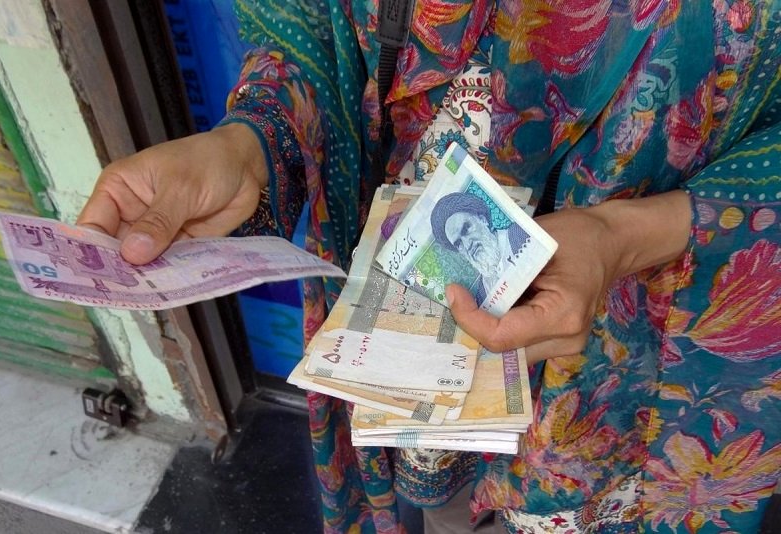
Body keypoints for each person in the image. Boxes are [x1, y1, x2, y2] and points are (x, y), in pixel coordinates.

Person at [78, 1, 781, 532]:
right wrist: (252, 138)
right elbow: (306, 22)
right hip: (419, 327)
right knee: (443, 507)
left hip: (637, 369)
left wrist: (625, 235)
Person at [430, 191, 530, 306]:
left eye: (466, 229)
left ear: (483, 220)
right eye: (458, 243)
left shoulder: (522, 234)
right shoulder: (482, 296)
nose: (468, 244)